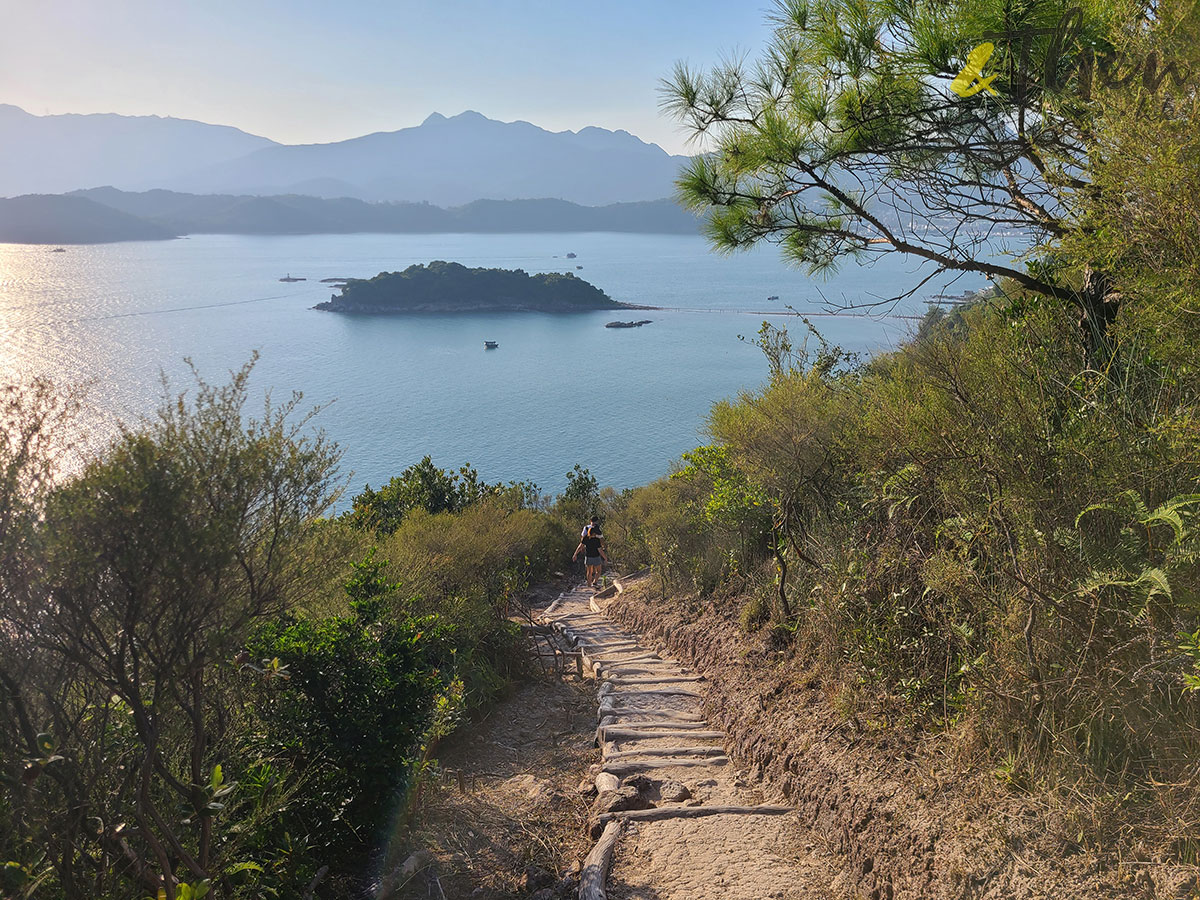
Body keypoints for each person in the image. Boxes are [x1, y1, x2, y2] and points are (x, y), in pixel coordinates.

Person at [573, 522, 608, 589]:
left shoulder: (585, 538)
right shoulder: (596, 540)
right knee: (599, 571)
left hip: (588, 557)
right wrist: (605, 558)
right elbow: (600, 550)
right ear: (594, 533)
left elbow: (580, 546)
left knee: (589, 572)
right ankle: (595, 582)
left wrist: (575, 554)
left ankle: (589, 585)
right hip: (596, 557)